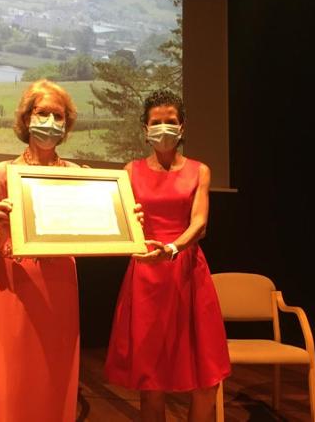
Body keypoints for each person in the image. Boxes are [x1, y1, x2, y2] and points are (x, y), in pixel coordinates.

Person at [105, 90, 231, 422]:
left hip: (187, 271)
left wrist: (173, 248)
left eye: (170, 122)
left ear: (182, 127)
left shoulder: (199, 171)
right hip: (146, 274)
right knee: (151, 379)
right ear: (145, 129)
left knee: (205, 376)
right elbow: (123, 222)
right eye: (156, 122)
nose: (164, 129)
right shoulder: (129, 171)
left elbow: (199, 223)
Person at [0, 79, 81, 421]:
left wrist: (125, 221)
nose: (50, 121)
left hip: (61, 289)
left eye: (58, 115)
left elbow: (93, 233)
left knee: (55, 374)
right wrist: (3, 227)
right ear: (26, 118)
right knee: (13, 378)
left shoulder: (79, 177)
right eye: (42, 112)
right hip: (15, 290)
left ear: (66, 125)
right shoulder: (4, 172)